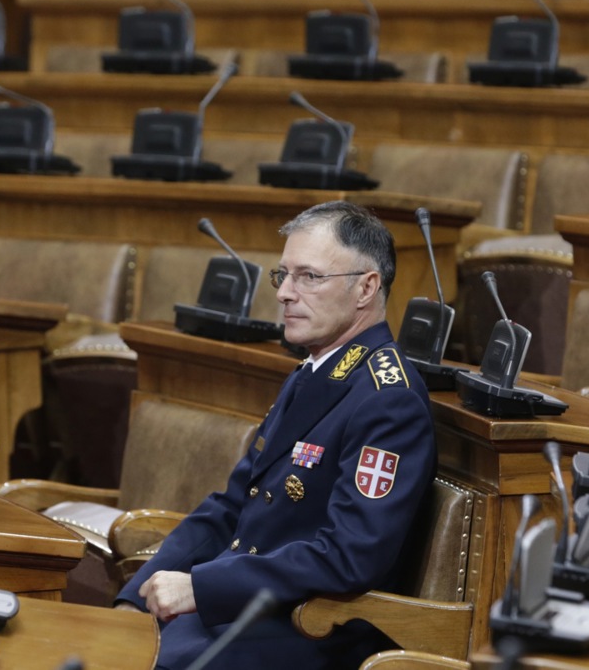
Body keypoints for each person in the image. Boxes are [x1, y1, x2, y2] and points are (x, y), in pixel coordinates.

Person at [115, 200, 437, 669]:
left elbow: (349, 557)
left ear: (366, 287)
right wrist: (136, 591)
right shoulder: (314, 370)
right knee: (106, 640)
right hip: (248, 606)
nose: (285, 292)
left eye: (309, 276)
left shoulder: (388, 398)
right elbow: (231, 506)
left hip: (311, 628)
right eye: (282, 275)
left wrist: (203, 587)